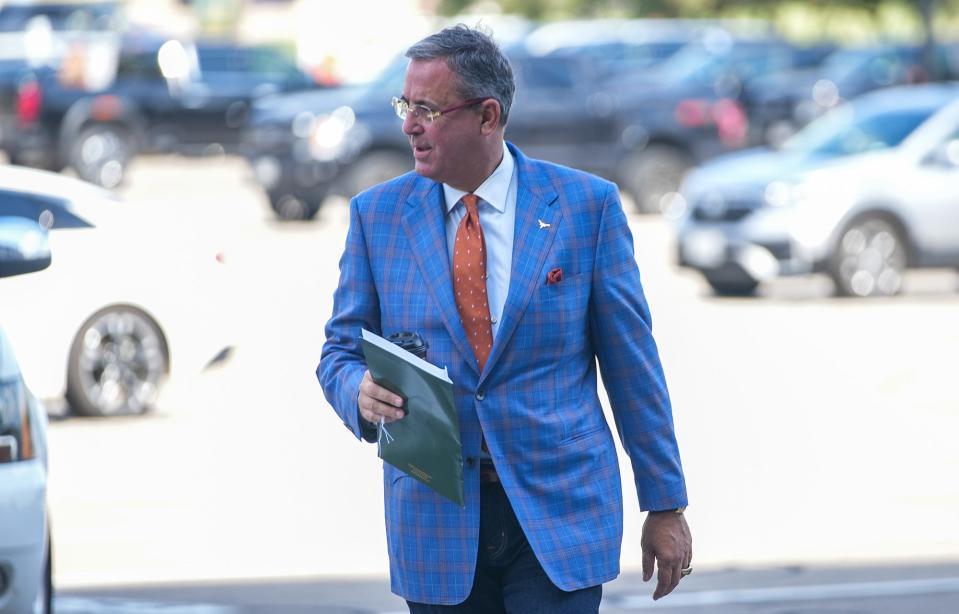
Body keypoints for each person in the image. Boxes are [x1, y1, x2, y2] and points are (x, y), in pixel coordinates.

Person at [318, 24, 691, 613]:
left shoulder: (584, 208)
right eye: (405, 105)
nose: (409, 124)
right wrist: (356, 393)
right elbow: (338, 353)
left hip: (558, 513)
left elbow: (632, 368)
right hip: (436, 520)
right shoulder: (376, 216)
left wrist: (665, 503)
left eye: (427, 109)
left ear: (488, 116)